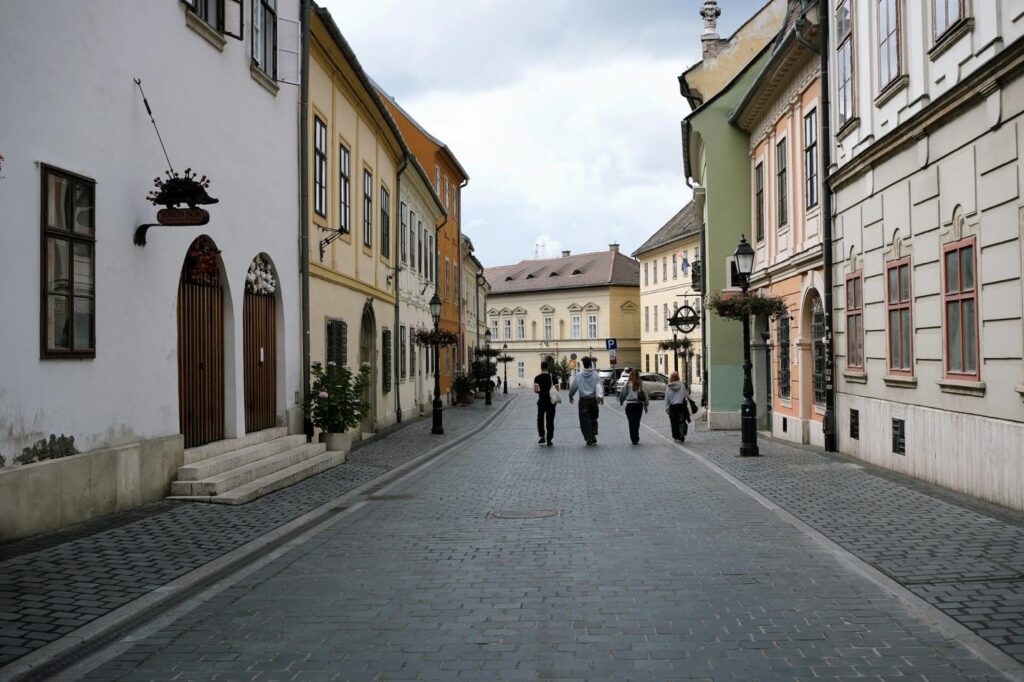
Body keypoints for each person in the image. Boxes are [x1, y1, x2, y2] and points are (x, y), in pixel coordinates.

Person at [568, 356, 603, 445]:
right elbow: (600, 386)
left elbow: (573, 387)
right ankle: (593, 435)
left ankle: (588, 438)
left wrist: (570, 395)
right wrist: (601, 398)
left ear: (583, 364)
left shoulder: (579, 375)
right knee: (593, 418)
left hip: (583, 401)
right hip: (593, 400)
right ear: (590, 364)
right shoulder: (595, 374)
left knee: (584, 420)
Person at [618, 368, 649, 445]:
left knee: (631, 422)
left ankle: (633, 438)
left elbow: (623, 394)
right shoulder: (641, 383)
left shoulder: (628, 383)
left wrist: (621, 401)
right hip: (638, 405)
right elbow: (645, 394)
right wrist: (646, 404)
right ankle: (636, 437)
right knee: (637, 422)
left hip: (630, 405)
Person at [533, 361, 556, 446]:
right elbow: (557, 389)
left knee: (540, 418)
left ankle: (542, 436)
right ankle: (549, 439)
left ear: (541, 368)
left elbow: (535, 390)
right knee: (550, 420)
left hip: (542, 400)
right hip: (551, 401)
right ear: (548, 367)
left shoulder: (537, 377)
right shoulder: (553, 377)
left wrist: (541, 391)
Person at [664, 371, 691, 443]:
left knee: (674, 422)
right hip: (681, 406)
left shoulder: (668, 387)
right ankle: (682, 433)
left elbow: (667, 399)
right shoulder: (682, 385)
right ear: (678, 377)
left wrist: (667, 409)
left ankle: (676, 436)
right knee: (682, 421)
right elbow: (687, 395)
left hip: (673, 407)